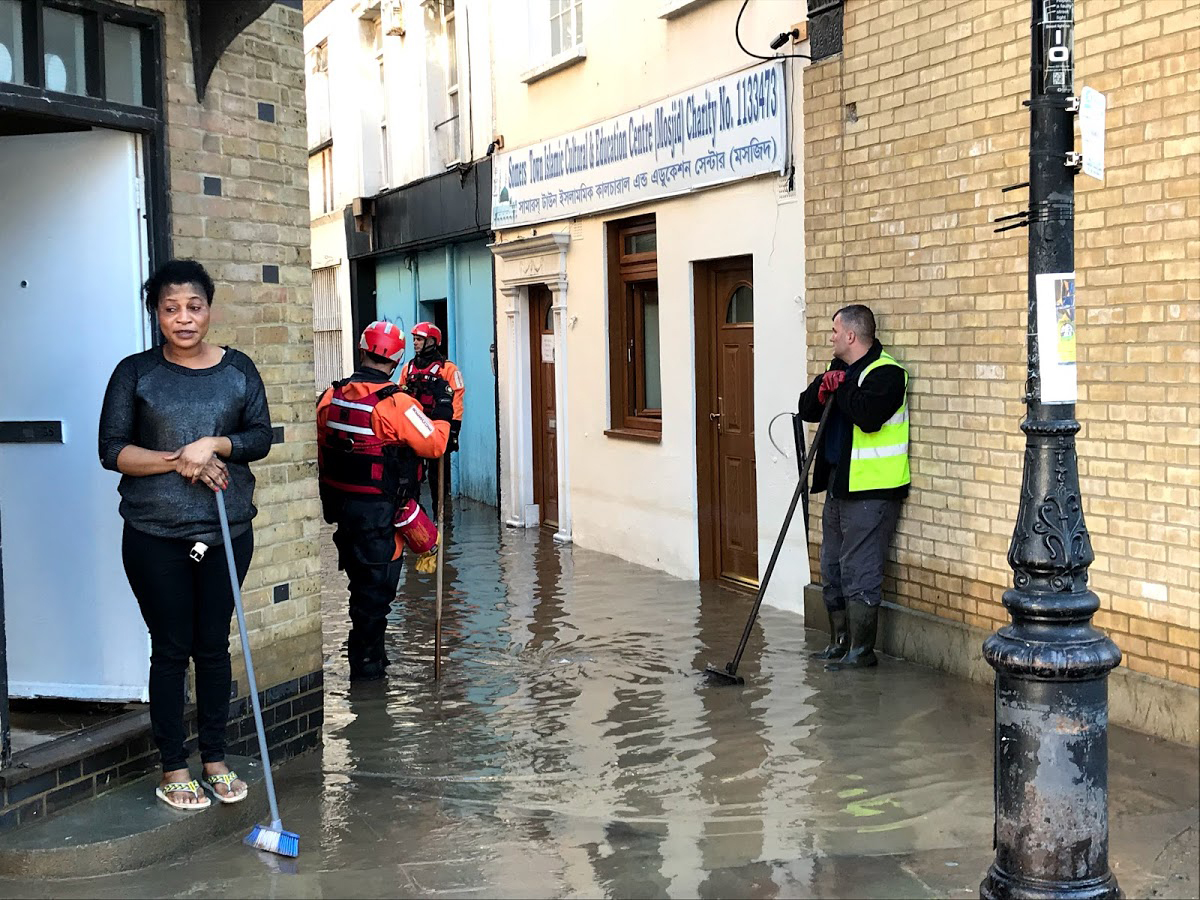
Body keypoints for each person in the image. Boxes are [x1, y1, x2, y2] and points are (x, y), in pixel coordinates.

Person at [99, 259, 272, 810]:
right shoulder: (135, 373)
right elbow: (112, 451)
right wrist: (181, 459)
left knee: (213, 645)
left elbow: (260, 437)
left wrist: (214, 445)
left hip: (224, 533)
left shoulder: (238, 369)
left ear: (209, 309)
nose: (183, 318)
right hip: (155, 535)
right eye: (170, 308)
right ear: (156, 314)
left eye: (193, 307)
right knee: (172, 648)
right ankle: (174, 765)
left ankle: (214, 759)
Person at [317, 321, 453, 680]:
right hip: (381, 519)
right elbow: (435, 445)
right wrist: (442, 410)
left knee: (361, 593)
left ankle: (370, 665)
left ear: (362, 350)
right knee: (376, 599)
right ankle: (368, 675)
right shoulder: (397, 405)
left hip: (344, 514)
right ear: (396, 361)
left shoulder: (330, 397)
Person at [798, 304, 910, 670]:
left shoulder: (888, 373)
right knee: (831, 566)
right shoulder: (838, 369)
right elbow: (806, 409)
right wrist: (823, 388)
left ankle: (862, 651)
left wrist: (842, 386)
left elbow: (867, 416)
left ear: (851, 335)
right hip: (838, 485)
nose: (830, 337)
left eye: (834, 331)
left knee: (859, 569)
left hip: (872, 492)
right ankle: (839, 642)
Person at [399, 322, 464, 519]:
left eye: (419, 339)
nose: (415, 343)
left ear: (432, 341)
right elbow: (399, 398)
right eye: (414, 340)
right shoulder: (408, 368)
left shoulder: (448, 369)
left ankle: (441, 517)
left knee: (438, 478)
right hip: (413, 430)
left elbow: (457, 399)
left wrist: (453, 431)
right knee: (412, 476)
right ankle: (414, 519)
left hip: (437, 428)